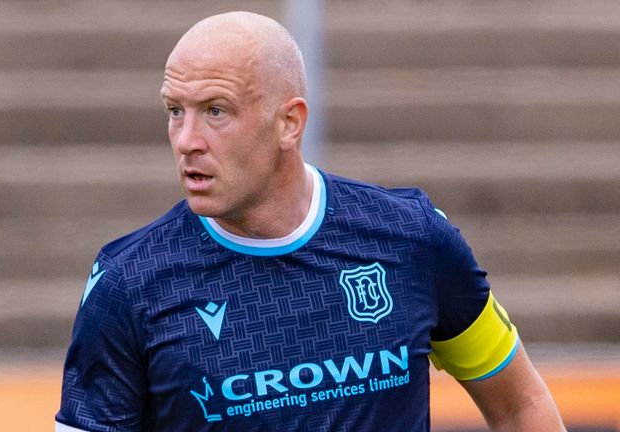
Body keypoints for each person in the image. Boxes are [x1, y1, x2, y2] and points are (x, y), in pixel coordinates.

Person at [55, 11, 565, 431]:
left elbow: (520, 404)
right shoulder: (128, 284)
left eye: (215, 111)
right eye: (174, 111)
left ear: (290, 122)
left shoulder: (411, 239)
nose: (187, 139)